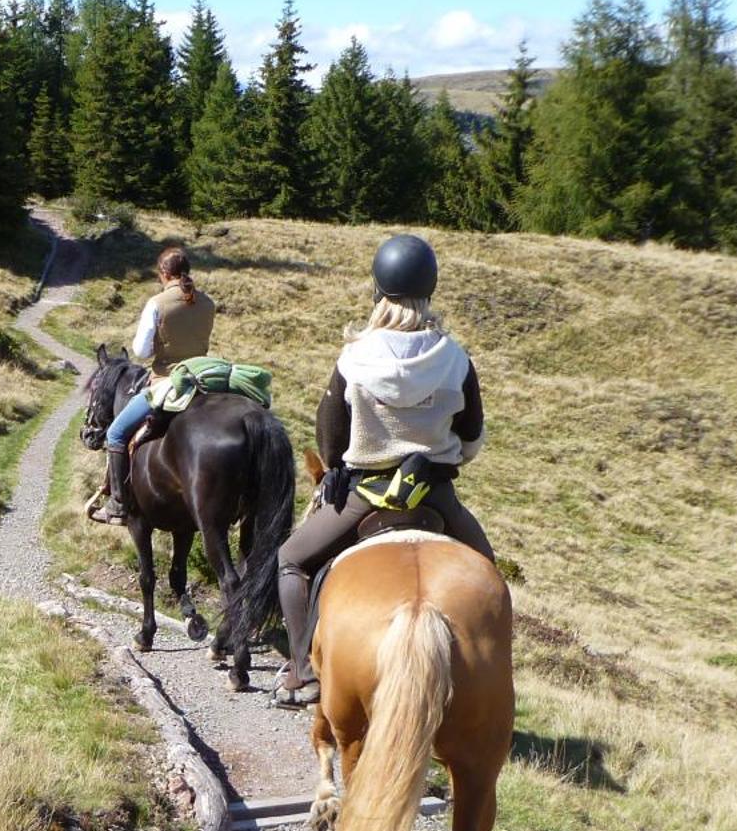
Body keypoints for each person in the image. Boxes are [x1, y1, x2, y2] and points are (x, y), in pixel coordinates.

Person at [270, 233, 497, 708]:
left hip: (364, 496)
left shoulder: (353, 357)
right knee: (489, 578)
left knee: (291, 559)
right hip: (433, 496)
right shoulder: (456, 358)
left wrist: (344, 460)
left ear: (378, 291)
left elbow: (331, 442)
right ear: (429, 290)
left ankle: (303, 670)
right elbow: (472, 437)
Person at [89, 245, 217, 525]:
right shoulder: (207, 302)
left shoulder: (157, 303)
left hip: (166, 383)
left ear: (163, 273)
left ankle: (118, 505)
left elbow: (142, 351)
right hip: (203, 380)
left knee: (116, 434)